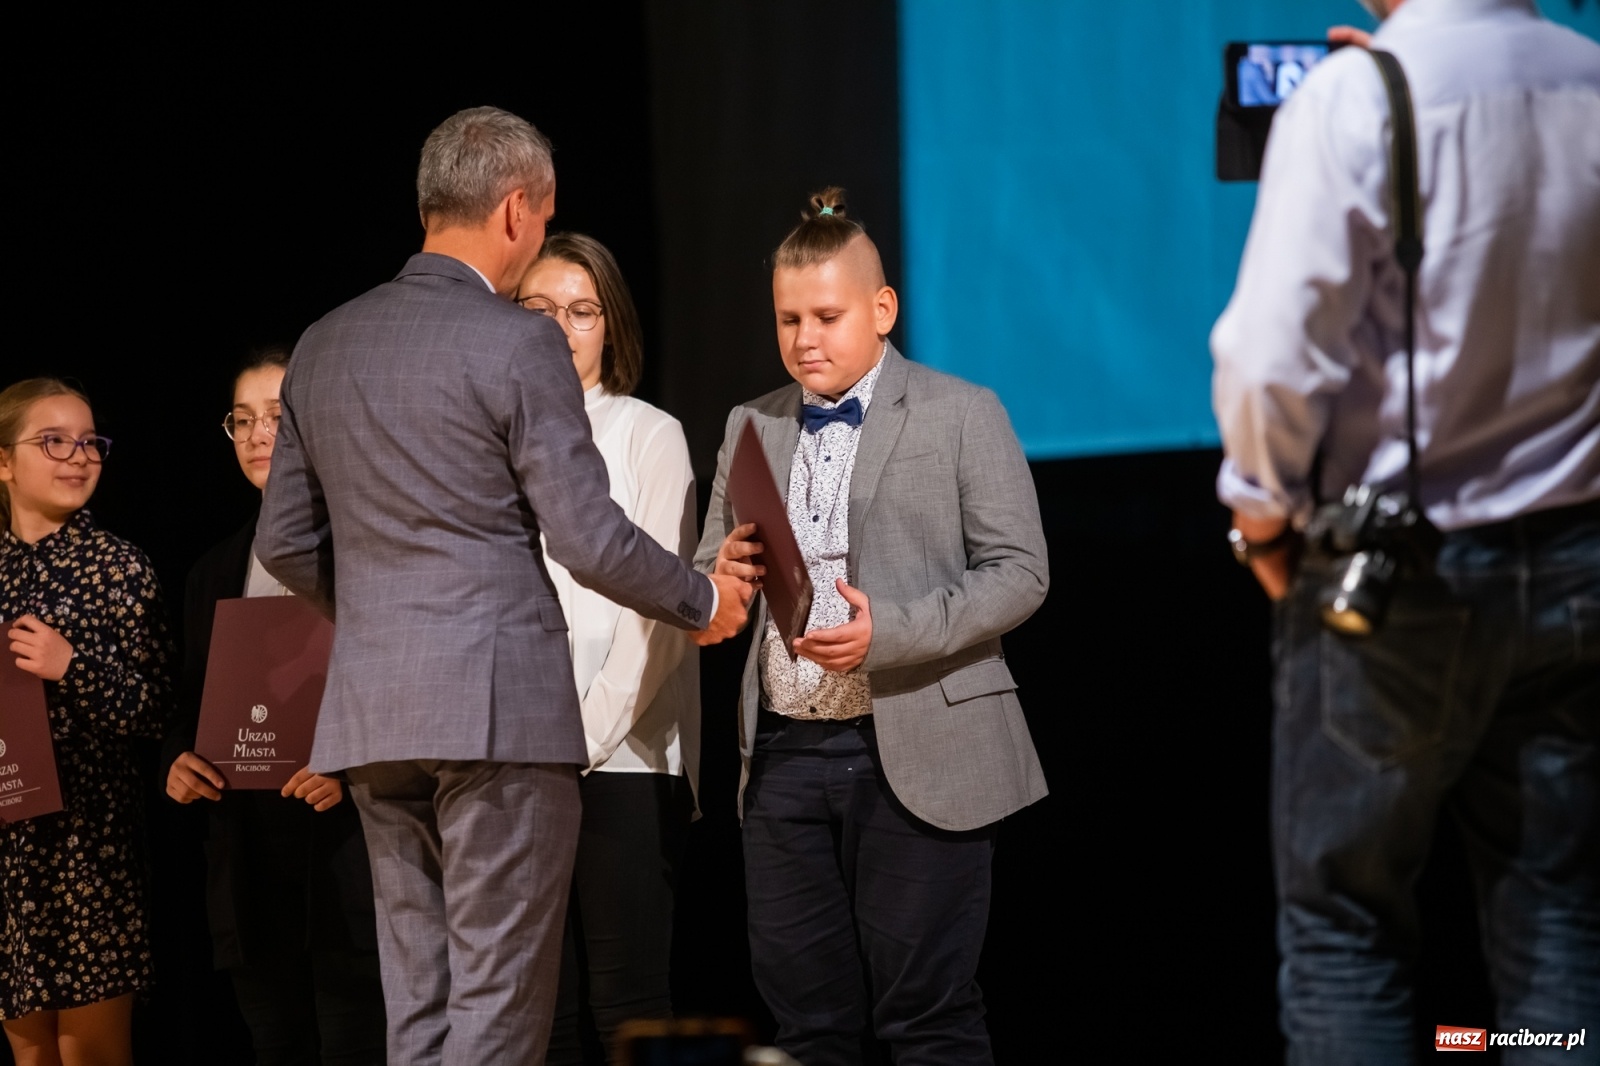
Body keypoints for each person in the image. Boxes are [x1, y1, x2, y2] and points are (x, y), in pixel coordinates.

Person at [254, 106, 751, 1066]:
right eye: (544, 219)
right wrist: (703, 601)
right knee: (499, 1008)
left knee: (421, 1004)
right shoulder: (517, 342)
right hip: (497, 715)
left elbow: (284, 541)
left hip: (377, 717)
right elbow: (590, 537)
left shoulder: (323, 342)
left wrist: (381, 621)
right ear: (517, 210)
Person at [1211, 2, 1600, 1062]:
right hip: (1577, 563)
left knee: (1345, 927)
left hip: (1402, 579)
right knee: (1558, 912)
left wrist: (1261, 525)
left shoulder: (1354, 100)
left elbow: (1267, 365)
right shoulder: (1587, 75)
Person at [699, 188, 1049, 1065]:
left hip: (915, 748)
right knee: (806, 1029)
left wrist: (887, 631)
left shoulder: (961, 411)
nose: (804, 339)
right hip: (784, 755)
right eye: (789, 320)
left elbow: (1021, 573)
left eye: (827, 317)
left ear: (882, 309)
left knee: (927, 1019)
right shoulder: (751, 423)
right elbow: (712, 578)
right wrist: (720, 584)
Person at [160, 347, 386, 1065]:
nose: (259, 435)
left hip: (350, 855)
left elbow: (406, 687)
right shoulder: (212, 571)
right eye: (242, 419)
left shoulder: (369, 549)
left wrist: (352, 766)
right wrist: (177, 758)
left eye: (277, 416)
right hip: (250, 865)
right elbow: (192, 699)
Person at [514, 234, 701, 1065]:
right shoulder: (490, 436)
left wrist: (579, 738)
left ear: (610, 325)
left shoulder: (649, 434)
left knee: (629, 1007)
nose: (559, 328)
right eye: (538, 309)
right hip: (517, 759)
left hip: (623, 756)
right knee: (538, 1017)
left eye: (581, 311)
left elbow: (662, 613)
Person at [0, 378, 174, 1066]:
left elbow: (158, 710)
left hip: (88, 846)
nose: (78, 456)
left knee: (90, 1053)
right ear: (4, 462)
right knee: (32, 1055)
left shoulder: (119, 566)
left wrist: (71, 666)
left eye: (90, 442)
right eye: (54, 441)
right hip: (8, 848)